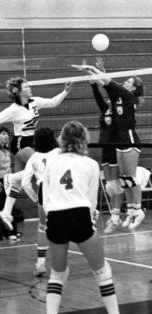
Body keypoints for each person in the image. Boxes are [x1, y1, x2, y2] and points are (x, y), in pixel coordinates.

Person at [42, 121, 129, 314]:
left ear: (62, 139)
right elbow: (91, 203)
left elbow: (45, 198)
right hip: (79, 215)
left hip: (56, 218)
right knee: (102, 271)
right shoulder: (90, 164)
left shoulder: (50, 163)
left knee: (57, 274)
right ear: (83, 139)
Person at [0, 77, 73, 230]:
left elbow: (52, 102)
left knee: (20, 180)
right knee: (43, 167)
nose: (30, 88)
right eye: (26, 86)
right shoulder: (14, 109)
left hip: (32, 142)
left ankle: (6, 211)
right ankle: (51, 206)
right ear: (18, 91)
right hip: (20, 144)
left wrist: (65, 91)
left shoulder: (34, 101)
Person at [74, 63, 145, 229]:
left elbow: (109, 82)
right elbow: (105, 86)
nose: (125, 83)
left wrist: (93, 69)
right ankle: (131, 210)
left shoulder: (128, 96)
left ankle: (138, 210)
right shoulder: (118, 98)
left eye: (128, 82)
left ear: (134, 88)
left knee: (129, 178)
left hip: (129, 140)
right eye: (126, 81)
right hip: (118, 141)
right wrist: (92, 75)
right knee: (123, 179)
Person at [90, 58, 124, 234]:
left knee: (115, 185)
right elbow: (98, 96)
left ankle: (116, 216)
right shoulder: (106, 110)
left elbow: (110, 88)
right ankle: (114, 214)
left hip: (115, 148)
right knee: (110, 186)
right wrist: (93, 83)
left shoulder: (121, 111)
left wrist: (103, 73)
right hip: (105, 149)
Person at [21, 127, 59, 276]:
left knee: (42, 227)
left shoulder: (34, 157)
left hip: (44, 189)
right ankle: (60, 263)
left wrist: (36, 199)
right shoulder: (60, 153)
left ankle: (41, 264)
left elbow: (25, 183)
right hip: (60, 188)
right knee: (63, 225)